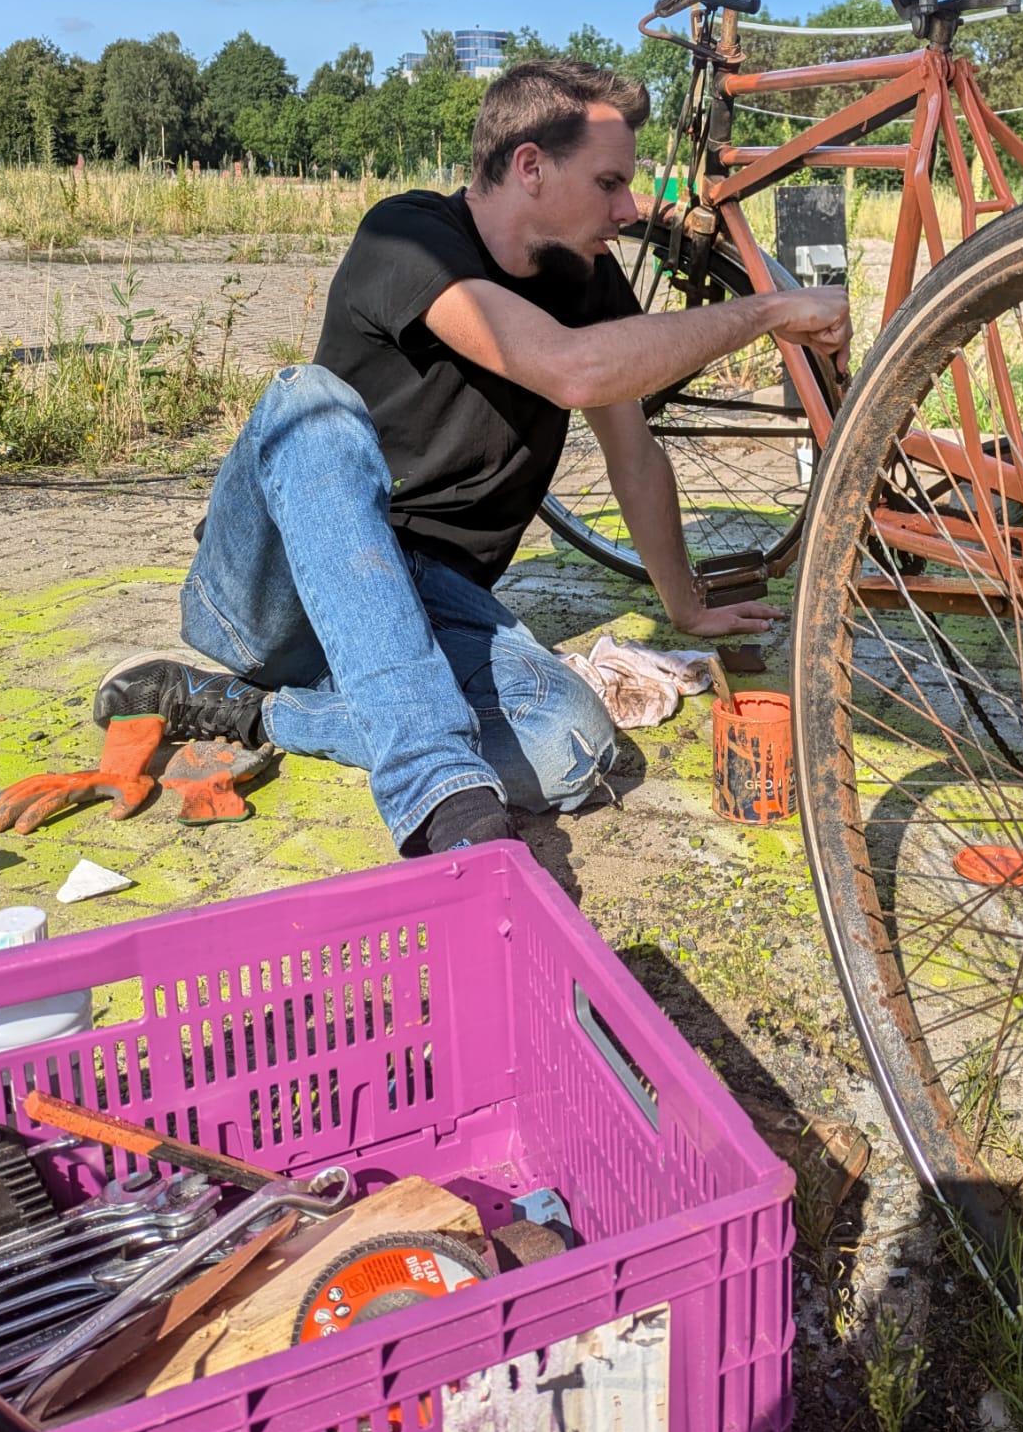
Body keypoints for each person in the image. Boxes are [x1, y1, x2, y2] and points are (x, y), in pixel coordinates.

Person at [94, 61, 850, 856]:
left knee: (570, 745)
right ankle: (440, 798)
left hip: (429, 602)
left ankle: (234, 708)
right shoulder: (406, 234)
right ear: (529, 165)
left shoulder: (585, 283)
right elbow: (569, 368)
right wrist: (767, 309)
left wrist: (685, 603)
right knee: (309, 403)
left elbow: (634, 456)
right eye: (608, 183)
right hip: (283, 589)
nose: (628, 211)